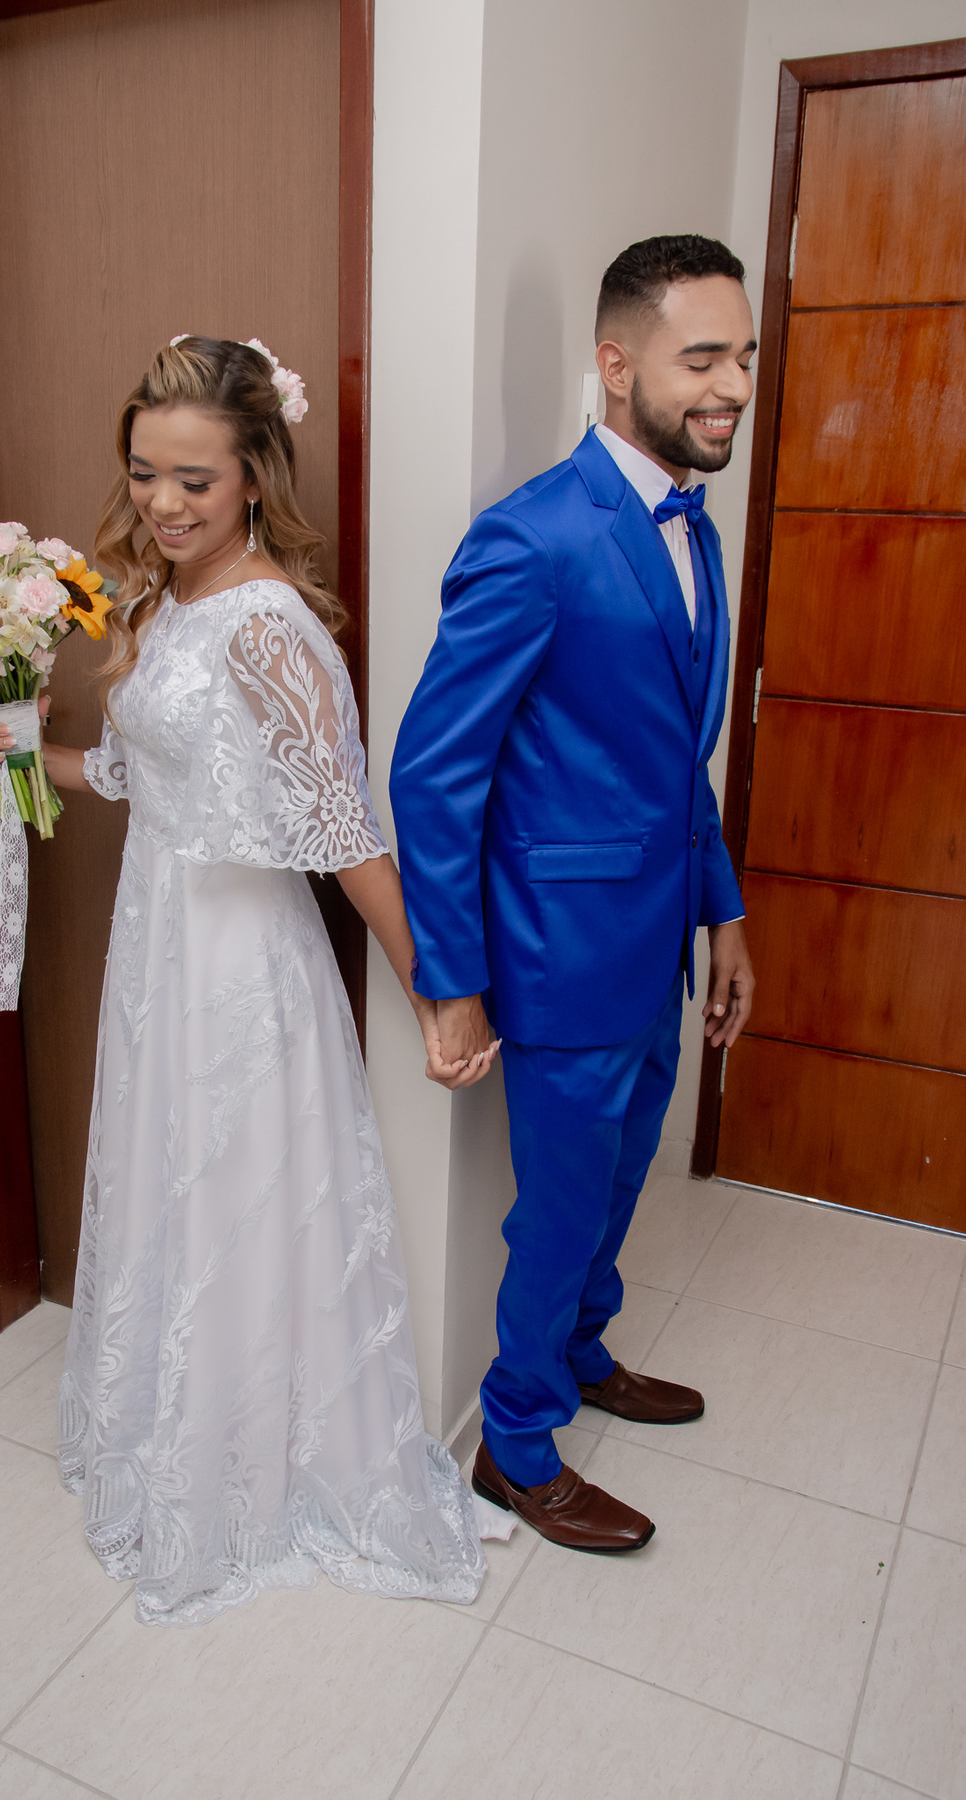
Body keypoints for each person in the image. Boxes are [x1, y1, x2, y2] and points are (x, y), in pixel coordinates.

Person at [0, 335, 499, 1625]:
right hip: (157, 939)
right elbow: (148, 776)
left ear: (256, 474)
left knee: (240, 1193)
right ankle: (174, 1428)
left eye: (194, 480)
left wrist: (437, 994)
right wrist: (35, 752)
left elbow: (347, 834)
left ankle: (255, 1464)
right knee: (169, 1182)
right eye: (144, 473)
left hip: (241, 962)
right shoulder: (164, 604)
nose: (162, 503)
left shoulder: (269, 627)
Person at [390, 236, 757, 1552]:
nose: (733, 387)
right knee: (555, 1212)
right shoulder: (532, 538)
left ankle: (585, 1353)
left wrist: (723, 914)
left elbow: (672, 761)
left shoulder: (691, 526)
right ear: (615, 363)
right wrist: (451, 983)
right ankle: (518, 1441)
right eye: (702, 359)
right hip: (556, 954)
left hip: (659, 941)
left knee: (620, 1176)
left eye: (744, 357)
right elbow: (434, 774)